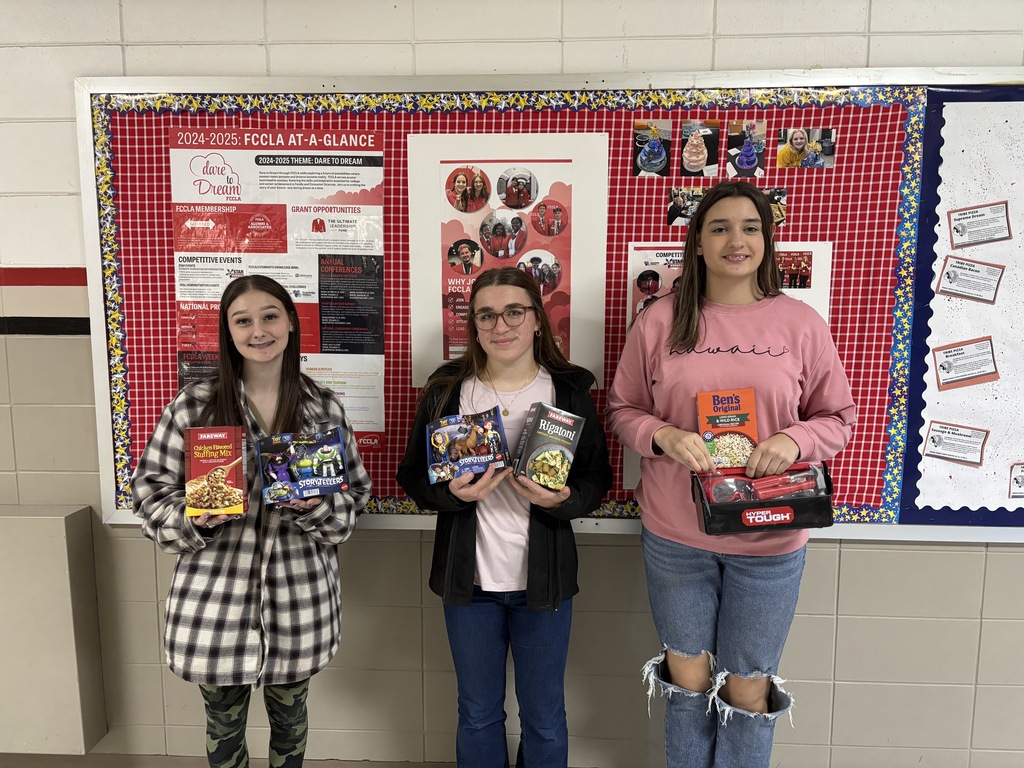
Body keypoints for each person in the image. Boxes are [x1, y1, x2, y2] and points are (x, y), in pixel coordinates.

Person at [606, 181, 855, 768]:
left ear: (768, 241)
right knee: (686, 687)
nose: (735, 240)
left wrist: (794, 439)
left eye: (750, 227)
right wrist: (661, 435)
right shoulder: (661, 321)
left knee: (748, 691)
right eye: (719, 227)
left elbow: (839, 419)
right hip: (676, 536)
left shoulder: (801, 323)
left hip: (771, 536)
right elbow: (623, 410)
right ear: (696, 243)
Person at [133, 275, 373, 768]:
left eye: (269, 316)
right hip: (215, 605)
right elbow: (149, 498)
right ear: (228, 330)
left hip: (300, 601)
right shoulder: (194, 407)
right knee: (223, 728)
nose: (258, 330)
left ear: (290, 321)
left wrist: (319, 508)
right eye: (243, 320)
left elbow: (354, 503)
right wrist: (198, 518)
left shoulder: (322, 408)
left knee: (291, 723)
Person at [397, 267, 611, 768]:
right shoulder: (448, 390)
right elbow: (413, 476)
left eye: (514, 311)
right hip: (469, 586)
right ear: (473, 325)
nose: (501, 325)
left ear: (537, 319)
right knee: (477, 714)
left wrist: (564, 501)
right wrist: (450, 495)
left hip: (545, 583)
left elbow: (597, 478)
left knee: (544, 718)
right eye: (487, 315)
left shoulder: (569, 389)